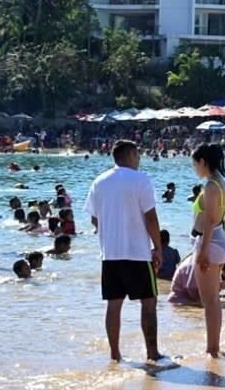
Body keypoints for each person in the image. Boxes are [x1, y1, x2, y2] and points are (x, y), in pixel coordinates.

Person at [84, 140, 163, 363]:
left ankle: (115, 354)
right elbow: (150, 217)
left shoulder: (99, 181)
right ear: (130, 155)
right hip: (137, 253)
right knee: (149, 301)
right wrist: (158, 248)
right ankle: (152, 353)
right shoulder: (141, 179)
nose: (139, 160)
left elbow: (93, 218)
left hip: (110, 254)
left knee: (114, 304)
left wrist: (109, 232)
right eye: (137, 155)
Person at [189, 143, 225, 358]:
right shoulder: (219, 182)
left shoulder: (212, 186)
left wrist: (203, 252)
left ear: (203, 162)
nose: (194, 168)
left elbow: (211, 220)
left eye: (195, 164)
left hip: (210, 241)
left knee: (210, 300)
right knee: (213, 299)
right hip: (216, 239)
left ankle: (212, 348)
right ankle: (214, 345)